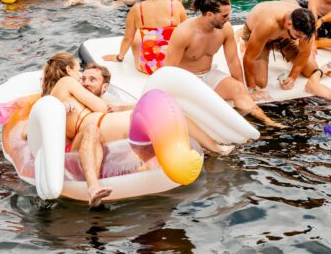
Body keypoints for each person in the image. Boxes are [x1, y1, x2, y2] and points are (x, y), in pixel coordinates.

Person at [42, 52, 229, 207]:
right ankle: (94, 187)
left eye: (89, 78)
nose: (82, 79)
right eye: (80, 73)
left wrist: (123, 107)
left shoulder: (69, 95)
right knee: (95, 128)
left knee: (168, 113)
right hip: (91, 130)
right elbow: (100, 108)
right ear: (68, 70)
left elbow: (106, 106)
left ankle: (214, 148)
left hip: (101, 128)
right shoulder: (67, 84)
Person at [164, 0, 281, 125]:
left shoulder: (225, 29)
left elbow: (233, 61)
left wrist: (243, 88)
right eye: (224, 16)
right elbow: (169, 70)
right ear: (209, 15)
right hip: (188, 79)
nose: (228, 18)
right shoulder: (184, 33)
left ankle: (267, 122)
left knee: (238, 89)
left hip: (209, 74)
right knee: (206, 104)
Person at [104, 0, 186, 73]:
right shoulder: (175, 5)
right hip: (173, 65)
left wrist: (119, 57)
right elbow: (186, 32)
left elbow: (128, 39)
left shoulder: (137, 9)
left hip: (149, 67)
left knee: (137, 35)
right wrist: (179, 4)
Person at [241, 0, 320, 91]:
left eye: (303, 37)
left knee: (311, 70)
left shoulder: (307, 25)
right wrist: (252, 89)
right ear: (289, 24)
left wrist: (292, 78)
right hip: (260, 33)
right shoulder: (268, 23)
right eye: (298, 36)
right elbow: (249, 58)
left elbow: (304, 53)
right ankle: (245, 43)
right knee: (260, 83)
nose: (302, 41)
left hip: (284, 37)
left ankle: (283, 44)